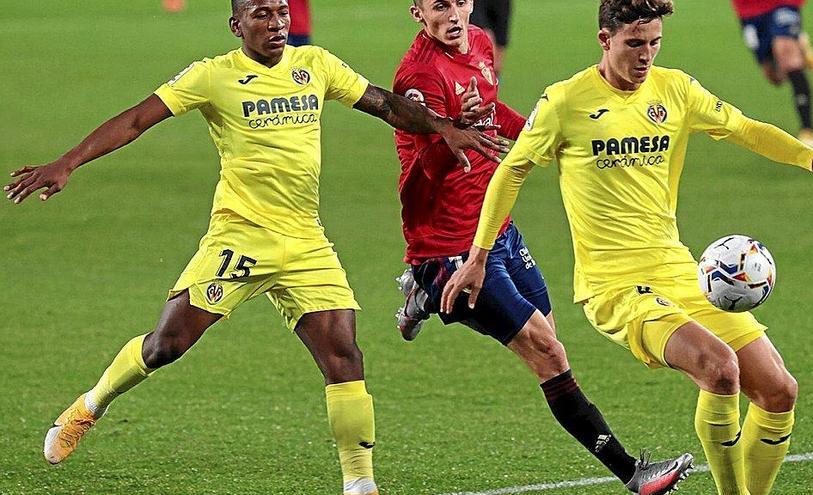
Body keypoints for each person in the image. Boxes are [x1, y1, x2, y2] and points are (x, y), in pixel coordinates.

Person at [4, 1, 503, 494]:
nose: (276, 22)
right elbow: (137, 120)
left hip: (305, 239)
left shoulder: (315, 65)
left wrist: (442, 126)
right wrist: (68, 162)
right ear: (236, 25)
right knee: (166, 346)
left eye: (281, 12)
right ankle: (91, 405)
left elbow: (387, 104)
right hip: (239, 236)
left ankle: (360, 483)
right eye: (261, 14)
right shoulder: (212, 76)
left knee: (344, 355)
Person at [442, 1, 813, 494]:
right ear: (605, 40)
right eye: (634, 44)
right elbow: (511, 170)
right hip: (615, 286)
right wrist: (477, 256)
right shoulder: (566, 101)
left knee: (779, 391)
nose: (646, 55)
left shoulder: (676, 89)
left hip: (680, 270)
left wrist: (810, 159)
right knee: (719, 367)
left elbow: (742, 127)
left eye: (654, 43)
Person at [392, 2, 693, 494]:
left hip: (497, 233)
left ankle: (426, 300)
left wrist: (546, 134)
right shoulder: (419, 77)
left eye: (460, 1)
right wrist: (454, 137)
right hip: (446, 246)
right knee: (547, 352)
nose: (454, 13)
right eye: (439, 4)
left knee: (549, 337)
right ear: (417, 11)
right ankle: (633, 475)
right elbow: (418, 180)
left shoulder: (482, 44)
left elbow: (495, 116)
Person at [732, 0, 813, 149]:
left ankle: (808, 129)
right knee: (775, 77)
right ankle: (799, 39)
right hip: (749, 10)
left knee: (789, 59)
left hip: (783, 4)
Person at [470, 0, 512, 76]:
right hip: (478, 4)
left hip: (500, 4)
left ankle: (492, 84)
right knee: (486, 40)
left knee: (497, 65)